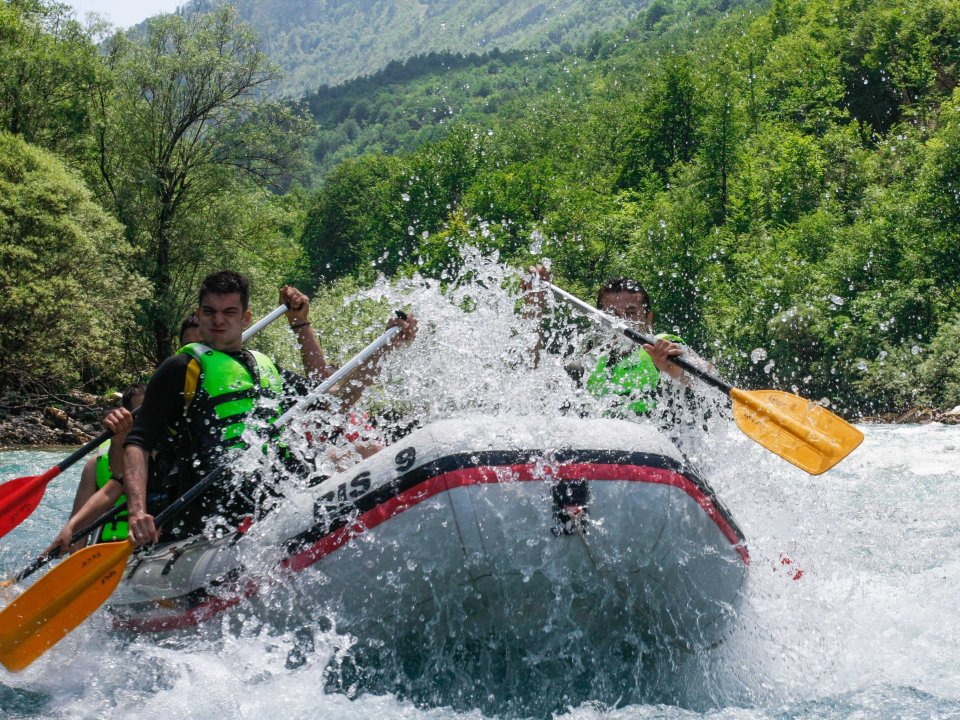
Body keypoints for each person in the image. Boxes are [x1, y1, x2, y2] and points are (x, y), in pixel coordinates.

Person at [122, 270, 416, 546]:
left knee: (368, 452)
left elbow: (330, 402)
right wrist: (136, 511)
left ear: (245, 318)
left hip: (283, 490)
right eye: (209, 312)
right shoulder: (181, 367)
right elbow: (138, 442)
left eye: (229, 312)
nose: (218, 321)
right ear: (198, 315)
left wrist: (385, 349)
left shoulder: (264, 366)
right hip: (219, 508)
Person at [524, 267, 708, 416]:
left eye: (631, 313)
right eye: (612, 315)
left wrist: (672, 368)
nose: (621, 322)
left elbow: (705, 371)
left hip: (662, 448)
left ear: (648, 318)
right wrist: (533, 309)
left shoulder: (662, 345)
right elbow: (536, 380)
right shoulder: (589, 363)